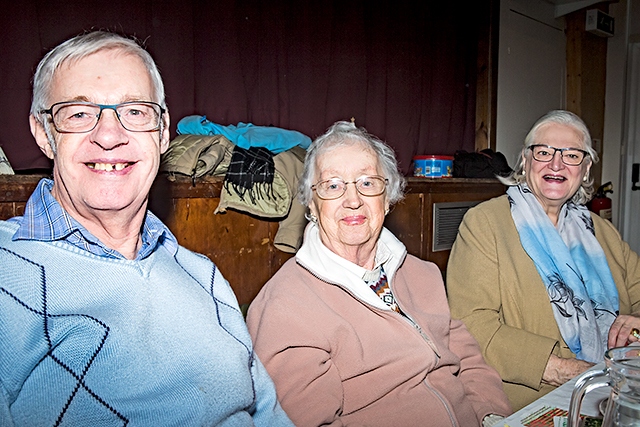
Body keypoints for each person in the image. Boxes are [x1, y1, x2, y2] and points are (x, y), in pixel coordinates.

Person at [0, 31, 293, 426]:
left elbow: (268, 414)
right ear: (44, 133)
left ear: (161, 132)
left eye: (135, 111)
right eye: (79, 113)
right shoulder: (7, 271)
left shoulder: (202, 275)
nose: (108, 135)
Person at [246, 120, 512, 426]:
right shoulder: (286, 306)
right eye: (332, 185)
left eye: (368, 182)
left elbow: (468, 360)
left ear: (387, 199)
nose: (353, 200)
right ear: (312, 204)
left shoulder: (422, 274)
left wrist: (491, 415)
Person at [447, 110, 640, 411]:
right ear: (525, 161)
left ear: (586, 168)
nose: (556, 164)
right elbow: (472, 326)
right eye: (544, 152)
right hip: (534, 400)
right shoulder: (485, 223)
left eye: (572, 155)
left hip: (616, 392)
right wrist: (570, 371)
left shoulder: (603, 232)